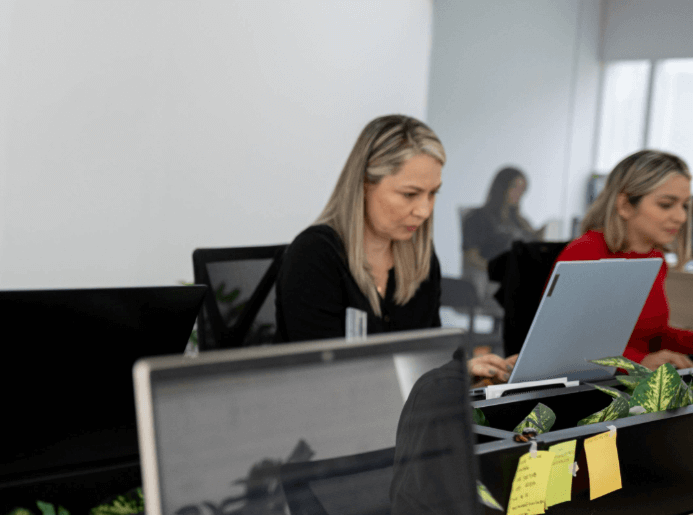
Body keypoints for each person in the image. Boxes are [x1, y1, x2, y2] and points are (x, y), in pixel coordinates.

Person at [275, 114, 515, 385]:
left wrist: (468, 378)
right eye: (410, 194)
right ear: (364, 184)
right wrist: (448, 378)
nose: (424, 211)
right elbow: (327, 381)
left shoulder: (421, 259)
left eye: (432, 193)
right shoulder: (314, 255)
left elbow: (428, 363)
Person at [553, 149, 693, 370]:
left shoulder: (654, 257)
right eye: (666, 204)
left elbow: (649, 335)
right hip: (590, 384)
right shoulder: (585, 253)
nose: (681, 217)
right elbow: (563, 344)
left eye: (684, 205)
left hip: (633, 382)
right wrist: (637, 362)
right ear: (625, 205)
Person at [462, 166, 541, 304]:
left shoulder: (522, 222)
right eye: (515, 187)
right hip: (495, 280)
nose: (519, 194)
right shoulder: (478, 218)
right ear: (502, 187)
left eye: (522, 189)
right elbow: (471, 257)